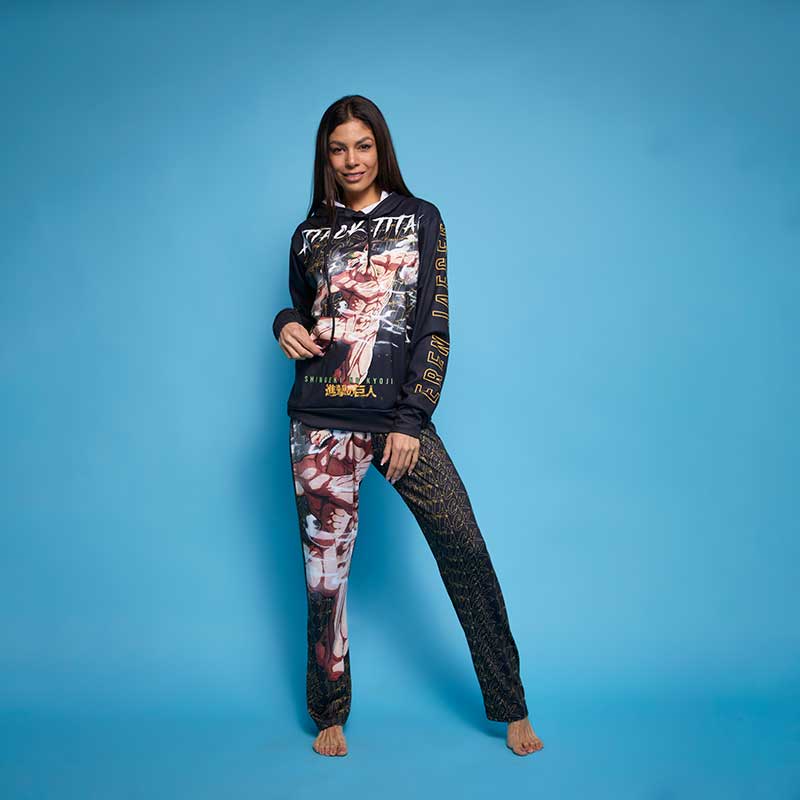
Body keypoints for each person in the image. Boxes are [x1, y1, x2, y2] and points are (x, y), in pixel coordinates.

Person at [273, 94, 544, 758]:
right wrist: (282, 324)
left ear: (381, 149)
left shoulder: (420, 218)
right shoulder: (308, 234)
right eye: (338, 148)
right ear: (325, 157)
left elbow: (432, 325)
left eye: (363, 146)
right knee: (325, 577)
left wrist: (411, 421)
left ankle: (510, 706)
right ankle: (329, 712)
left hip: (397, 422)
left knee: (464, 547)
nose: (351, 160)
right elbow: (300, 307)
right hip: (319, 422)